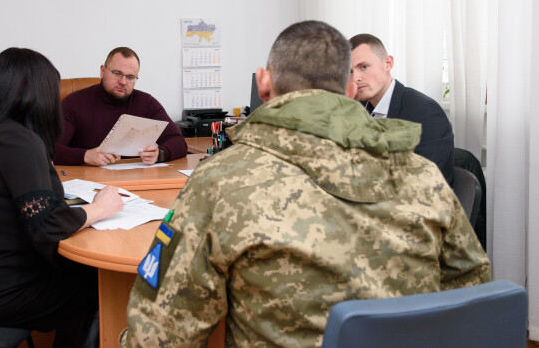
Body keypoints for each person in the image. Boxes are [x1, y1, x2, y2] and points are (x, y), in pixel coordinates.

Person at [120, 21, 489, 347]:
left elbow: (160, 336)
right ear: (348, 90)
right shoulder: (421, 175)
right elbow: (473, 293)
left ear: (263, 83)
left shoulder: (220, 181)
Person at [0, 48, 124, 348]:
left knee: (81, 274)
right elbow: (46, 226)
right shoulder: (19, 141)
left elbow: (30, 209)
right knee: (101, 287)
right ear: (35, 94)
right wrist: (98, 209)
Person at [349, 33, 455, 185]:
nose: (355, 79)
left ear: (388, 63)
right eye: (349, 71)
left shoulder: (425, 112)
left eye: (363, 67)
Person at [53, 47, 187, 166]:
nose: (123, 82)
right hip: (88, 182)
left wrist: (160, 154)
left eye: (130, 77)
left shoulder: (146, 102)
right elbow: (51, 149)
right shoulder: (74, 102)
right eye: (117, 73)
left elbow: (179, 142)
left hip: (133, 181)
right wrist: (85, 156)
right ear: (102, 71)